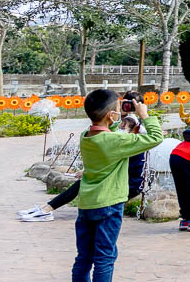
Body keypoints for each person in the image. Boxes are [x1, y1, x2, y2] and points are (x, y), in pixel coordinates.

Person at [68, 88, 163, 282]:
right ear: (111, 116)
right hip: (109, 205)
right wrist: (145, 115)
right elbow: (155, 138)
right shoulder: (115, 140)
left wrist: (125, 121)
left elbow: (110, 132)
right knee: (105, 257)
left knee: (84, 257)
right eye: (118, 109)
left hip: (87, 204)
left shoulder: (86, 136)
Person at [19, 91, 149, 223]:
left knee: (84, 184)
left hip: (128, 182)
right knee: (85, 182)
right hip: (116, 176)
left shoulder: (129, 124)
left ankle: (47, 209)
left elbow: (128, 150)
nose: (124, 107)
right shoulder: (115, 128)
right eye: (121, 104)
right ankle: (46, 208)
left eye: (126, 104)